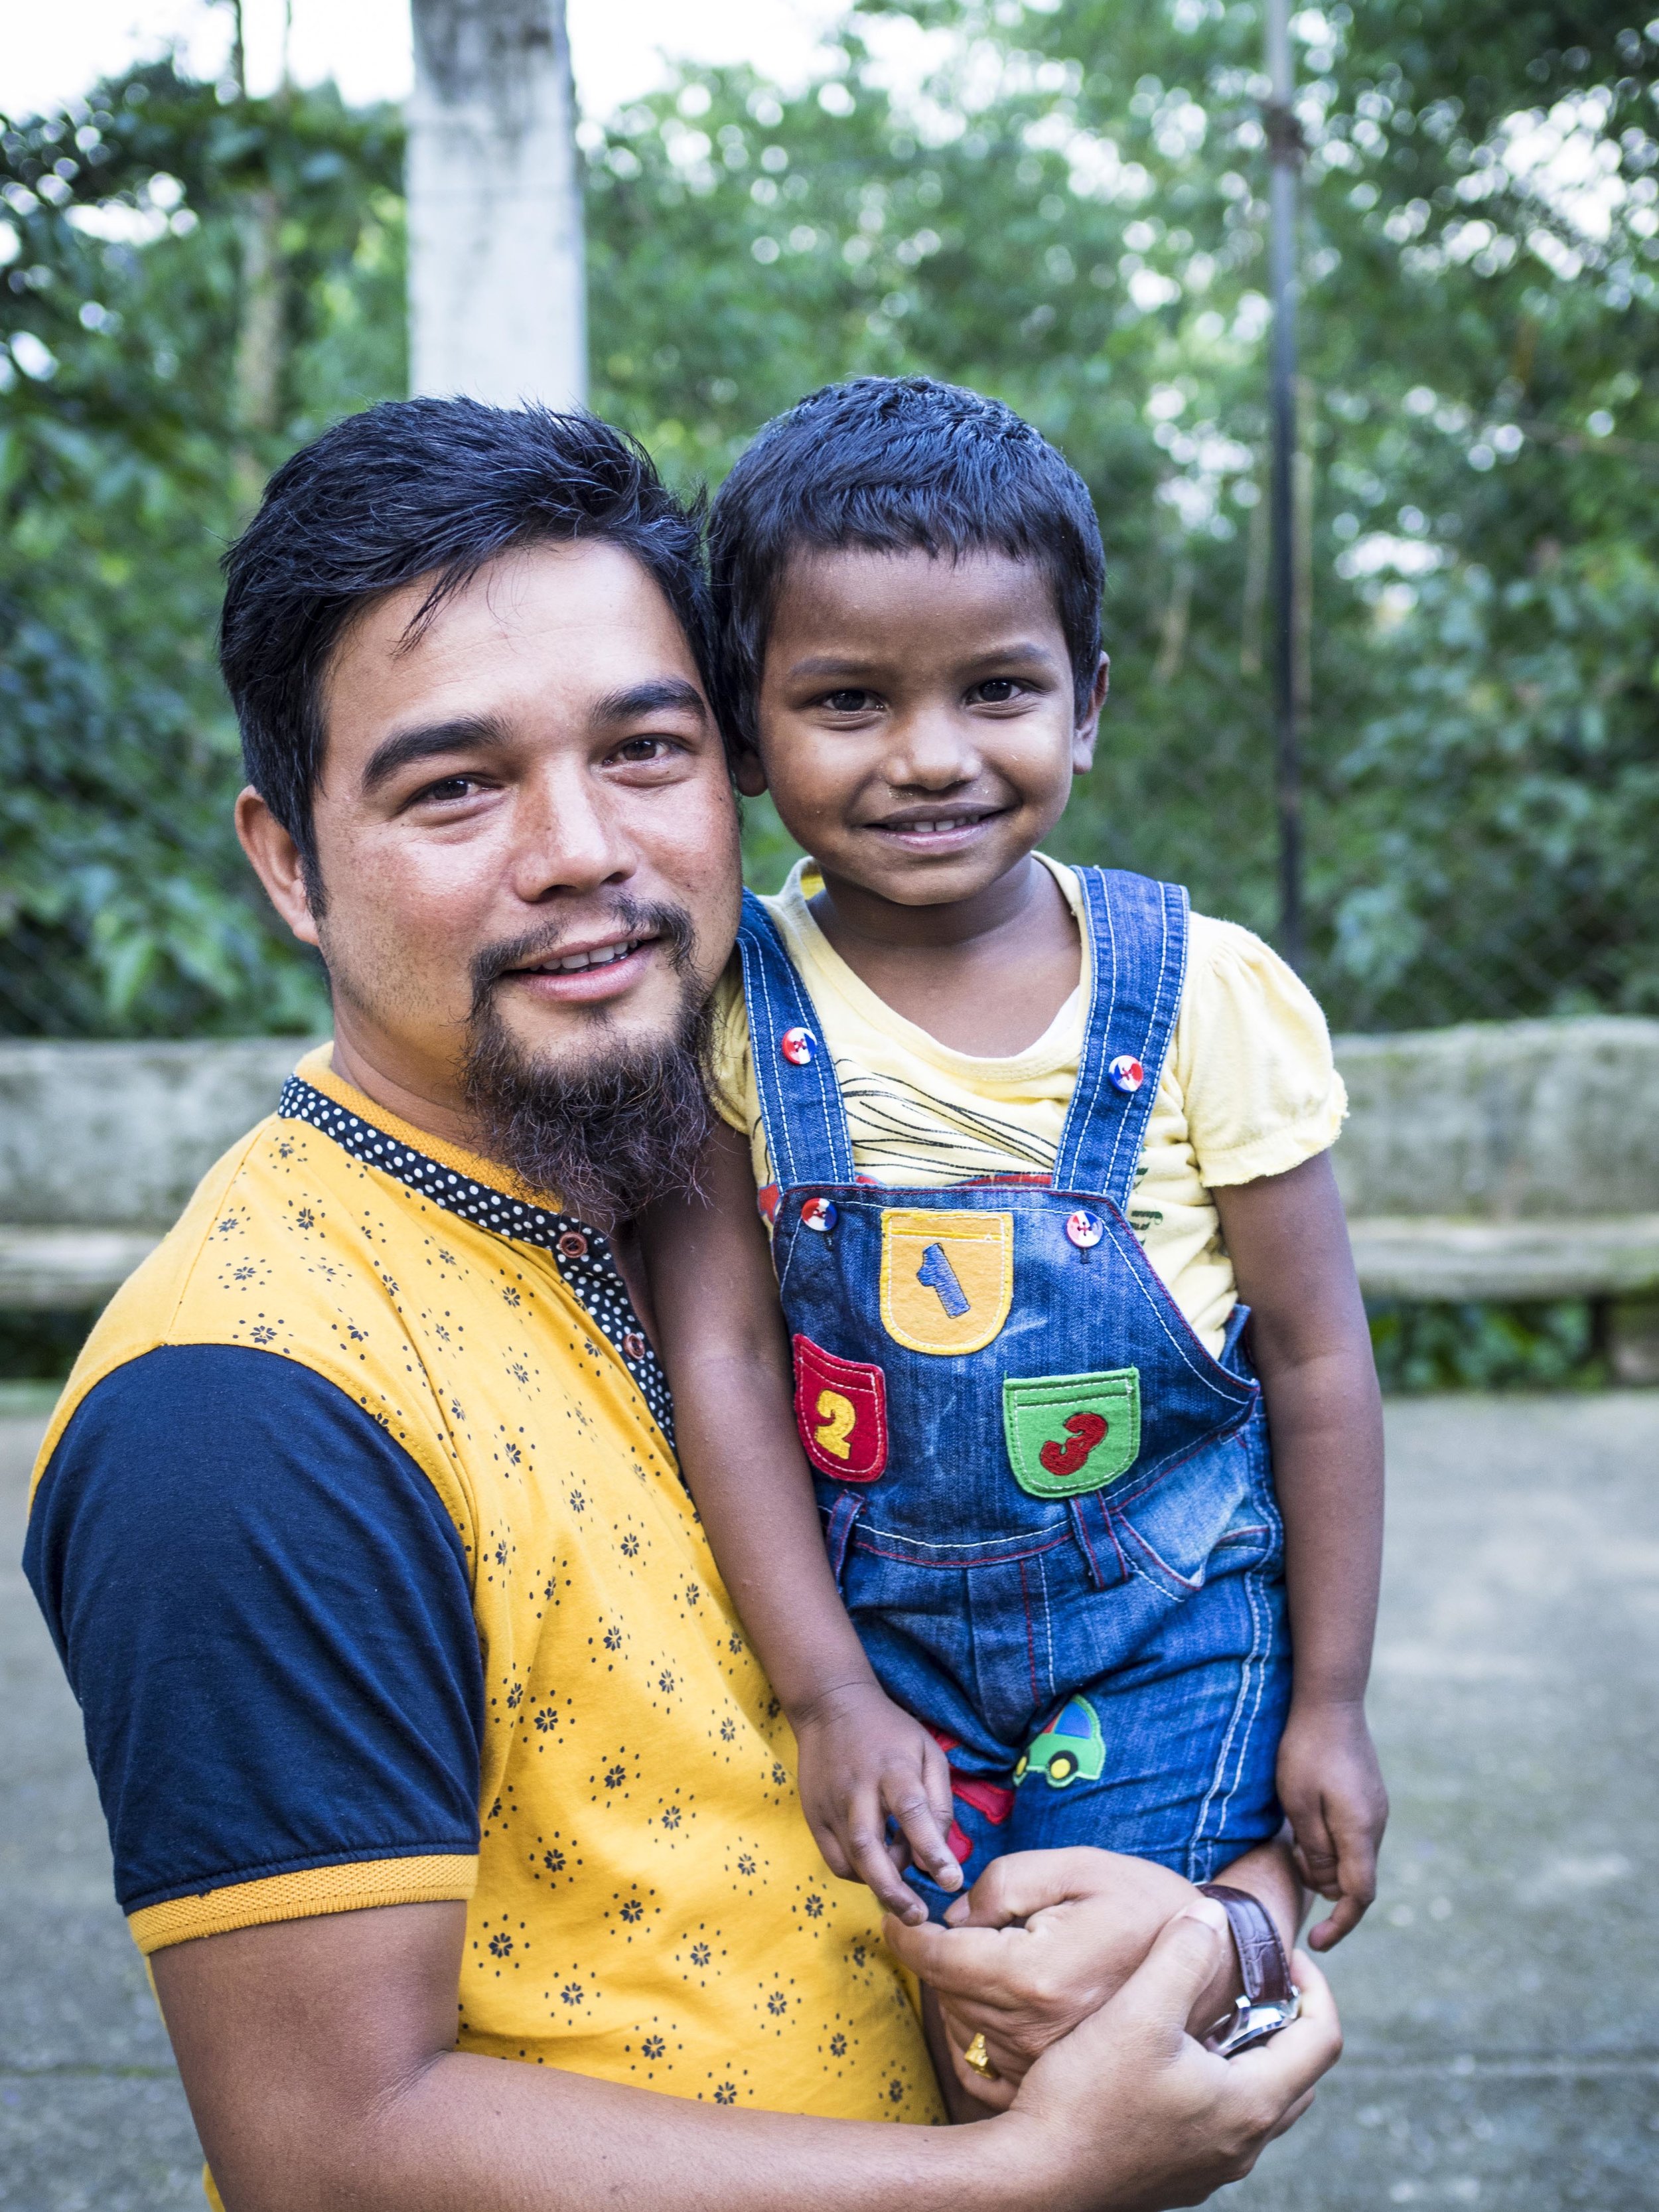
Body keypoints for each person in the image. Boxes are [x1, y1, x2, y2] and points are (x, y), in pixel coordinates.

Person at [23, 397, 1338, 2211]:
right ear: (284, 860)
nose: (578, 848)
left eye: (645, 748)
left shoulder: (788, 1207)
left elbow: (1164, 1779)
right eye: (454, 783)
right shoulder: (244, 1405)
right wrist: (1033, 2171)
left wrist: (1227, 1938)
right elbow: (332, 2142)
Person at [642, 378, 1389, 1976]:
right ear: (745, 727)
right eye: (846, 701)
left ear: (1086, 704)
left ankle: (1230, 1941)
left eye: (996, 690)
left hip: (1171, 1640)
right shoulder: (729, 1000)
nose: (929, 758)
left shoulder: (1200, 988)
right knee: (921, 2016)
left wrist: (1328, 1703)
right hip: (874, 1650)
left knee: (1081, 2000)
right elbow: (722, 1352)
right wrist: (827, 1691)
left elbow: (1316, 1357)